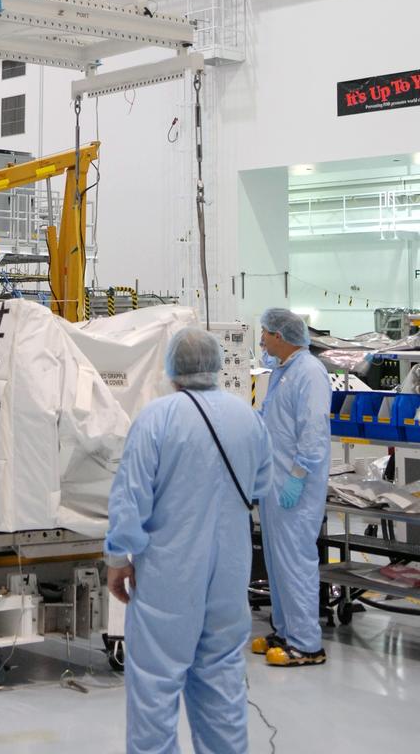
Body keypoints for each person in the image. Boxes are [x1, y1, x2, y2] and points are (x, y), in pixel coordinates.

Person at [105, 327, 272, 754]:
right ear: (216, 365)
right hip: (230, 574)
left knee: (155, 687)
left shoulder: (156, 419)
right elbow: (260, 486)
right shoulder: (248, 418)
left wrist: (119, 557)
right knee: (222, 681)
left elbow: (131, 495)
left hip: (168, 573)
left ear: (172, 366)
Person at [254, 307, 331, 667]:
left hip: (296, 486)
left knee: (296, 562)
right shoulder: (282, 371)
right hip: (275, 482)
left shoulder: (310, 373)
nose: (262, 340)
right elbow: (274, 421)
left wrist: (299, 478)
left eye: (265, 333)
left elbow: (313, 431)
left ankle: (306, 643)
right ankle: (285, 631)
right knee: (277, 562)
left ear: (280, 337)